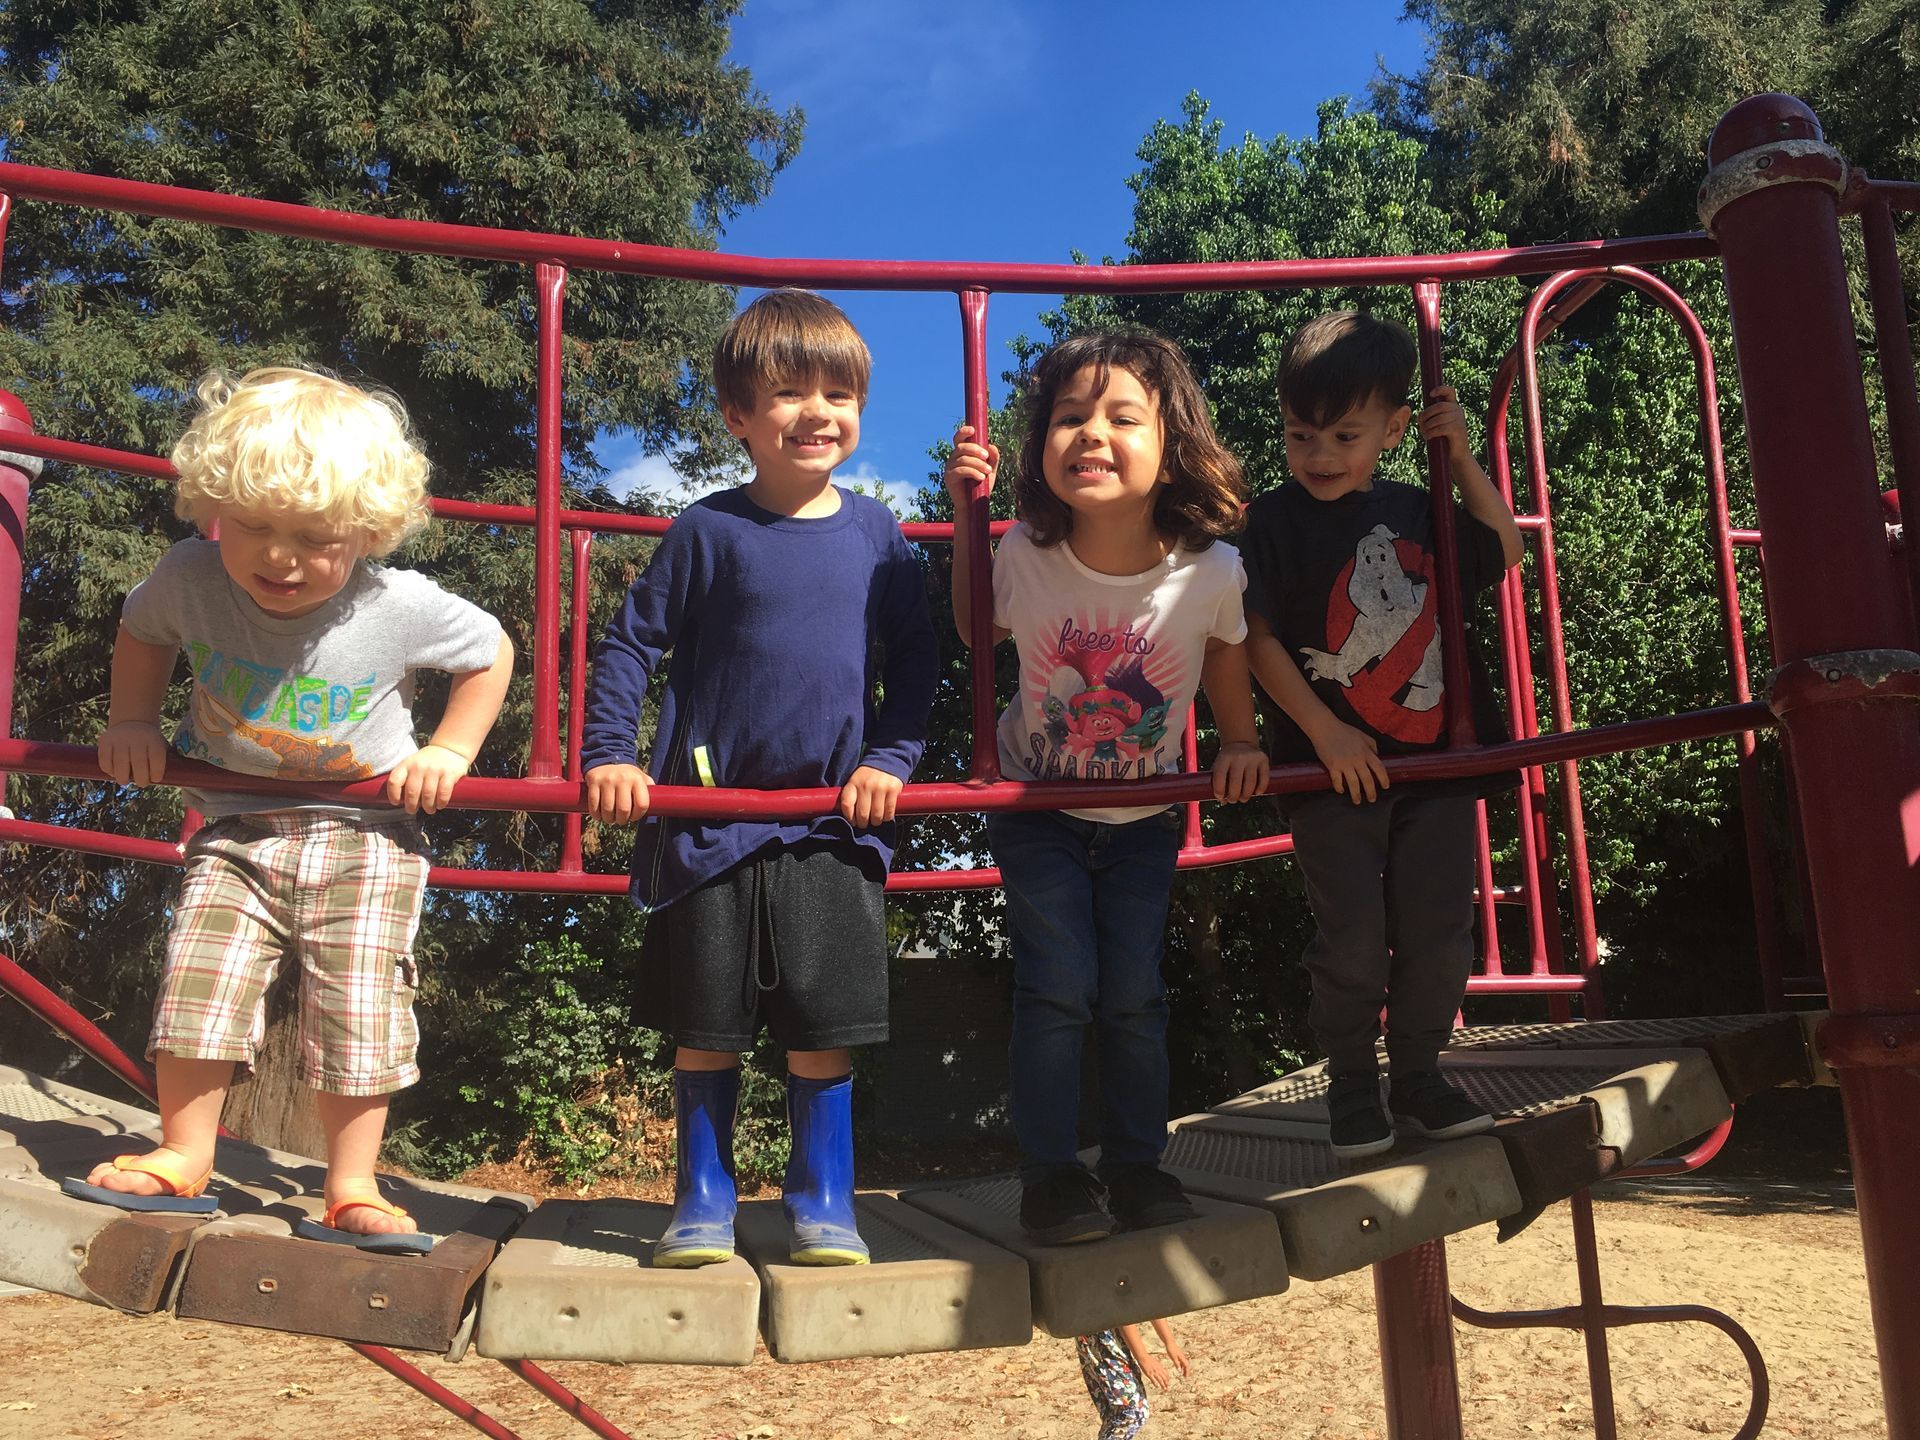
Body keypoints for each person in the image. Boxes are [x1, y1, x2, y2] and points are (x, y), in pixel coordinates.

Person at [66, 367, 514, 1252]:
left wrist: (451, 748)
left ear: (367, 532)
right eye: (257, 528)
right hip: (233, 824)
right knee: (201, 980)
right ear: (212, 509)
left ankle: (351, 1185)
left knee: (358, 999)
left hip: (366, 830)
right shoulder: (191, 577)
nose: (280, 557)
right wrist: (130, 720)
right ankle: (183, 1152)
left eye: (314, 538)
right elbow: (142, 628)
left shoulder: (394, 602)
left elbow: (490, 649)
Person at [582, 289, 936, 1268]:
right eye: (787, 392)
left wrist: (890, 759)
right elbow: (628, 646)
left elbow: (916, 661)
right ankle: (703, 1194)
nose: (816, 411)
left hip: (830, 819)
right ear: (739, 417)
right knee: (707, 1025)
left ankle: (822, 1197)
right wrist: (610, 756)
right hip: (711, 817)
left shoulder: (877, 537)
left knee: (824, 1028)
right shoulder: (709, 531)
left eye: (838, 391)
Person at [944, 329, 1268, 1246]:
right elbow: (977, 633)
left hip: (1145, 814)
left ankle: (1136, 1169)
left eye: (1122, 416)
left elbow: (1224, 653)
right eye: (1069, 417)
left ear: (1174, 447)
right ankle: (1052, 1178)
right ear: (1041, 448)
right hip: (1036, 806)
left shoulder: (1209, 569)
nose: (1091, 433)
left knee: (1131, 993)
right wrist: (968, 520)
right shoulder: (1027, 552)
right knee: (1057, 988)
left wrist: (1239, 740)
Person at [1238, 309, 1524, 1158]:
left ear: (1397, 429)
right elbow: (1256, 639)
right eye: (1300, 435)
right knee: (1353, 938)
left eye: (1344, 434)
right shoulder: (1273, 521)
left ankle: (1421, 1077)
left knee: (1440, 930)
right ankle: (1354, 1088)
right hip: (1330, 771)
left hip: (1433, 761)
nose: (1319, 455)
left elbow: (1504, 549)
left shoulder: (1423, 504)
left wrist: (1463, 456)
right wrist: (1326, 734)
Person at [1074, 1318, 1190, 1440]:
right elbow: (1122, 1308)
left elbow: (1149, 1300)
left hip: (1101, 1330)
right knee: (1131, 1413)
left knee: (1117, 1415)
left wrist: (1169, 1342)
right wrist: (1143, 1357)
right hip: (1101, 1332)